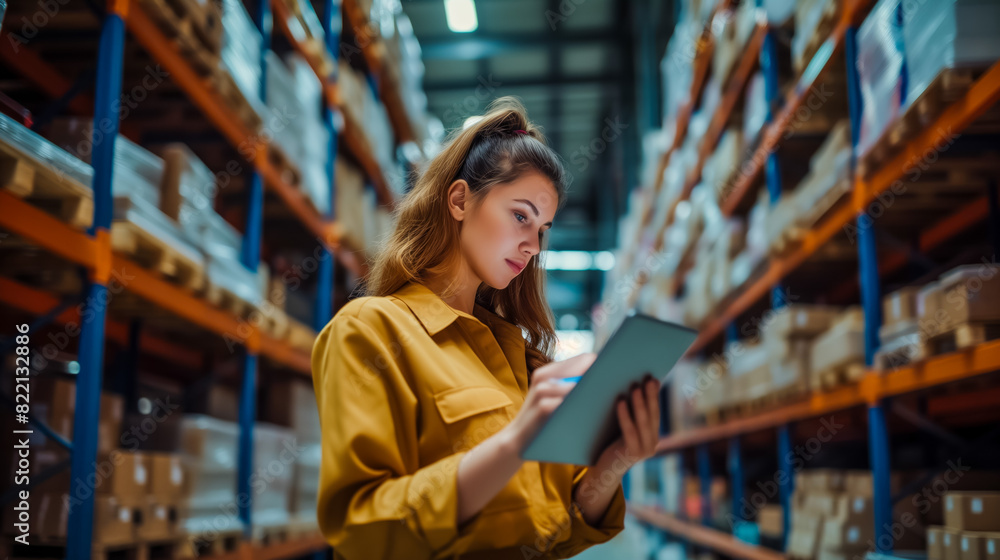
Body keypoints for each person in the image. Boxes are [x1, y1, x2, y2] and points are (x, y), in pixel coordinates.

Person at [311, 97, 662, 559]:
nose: (533, 245)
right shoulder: (370, 331)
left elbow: (558, 531)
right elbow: (361, 527)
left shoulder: (522, 359)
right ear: (459, 200)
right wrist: (514, 442)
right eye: (520, 216)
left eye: (542, 229)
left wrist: (618, 459)